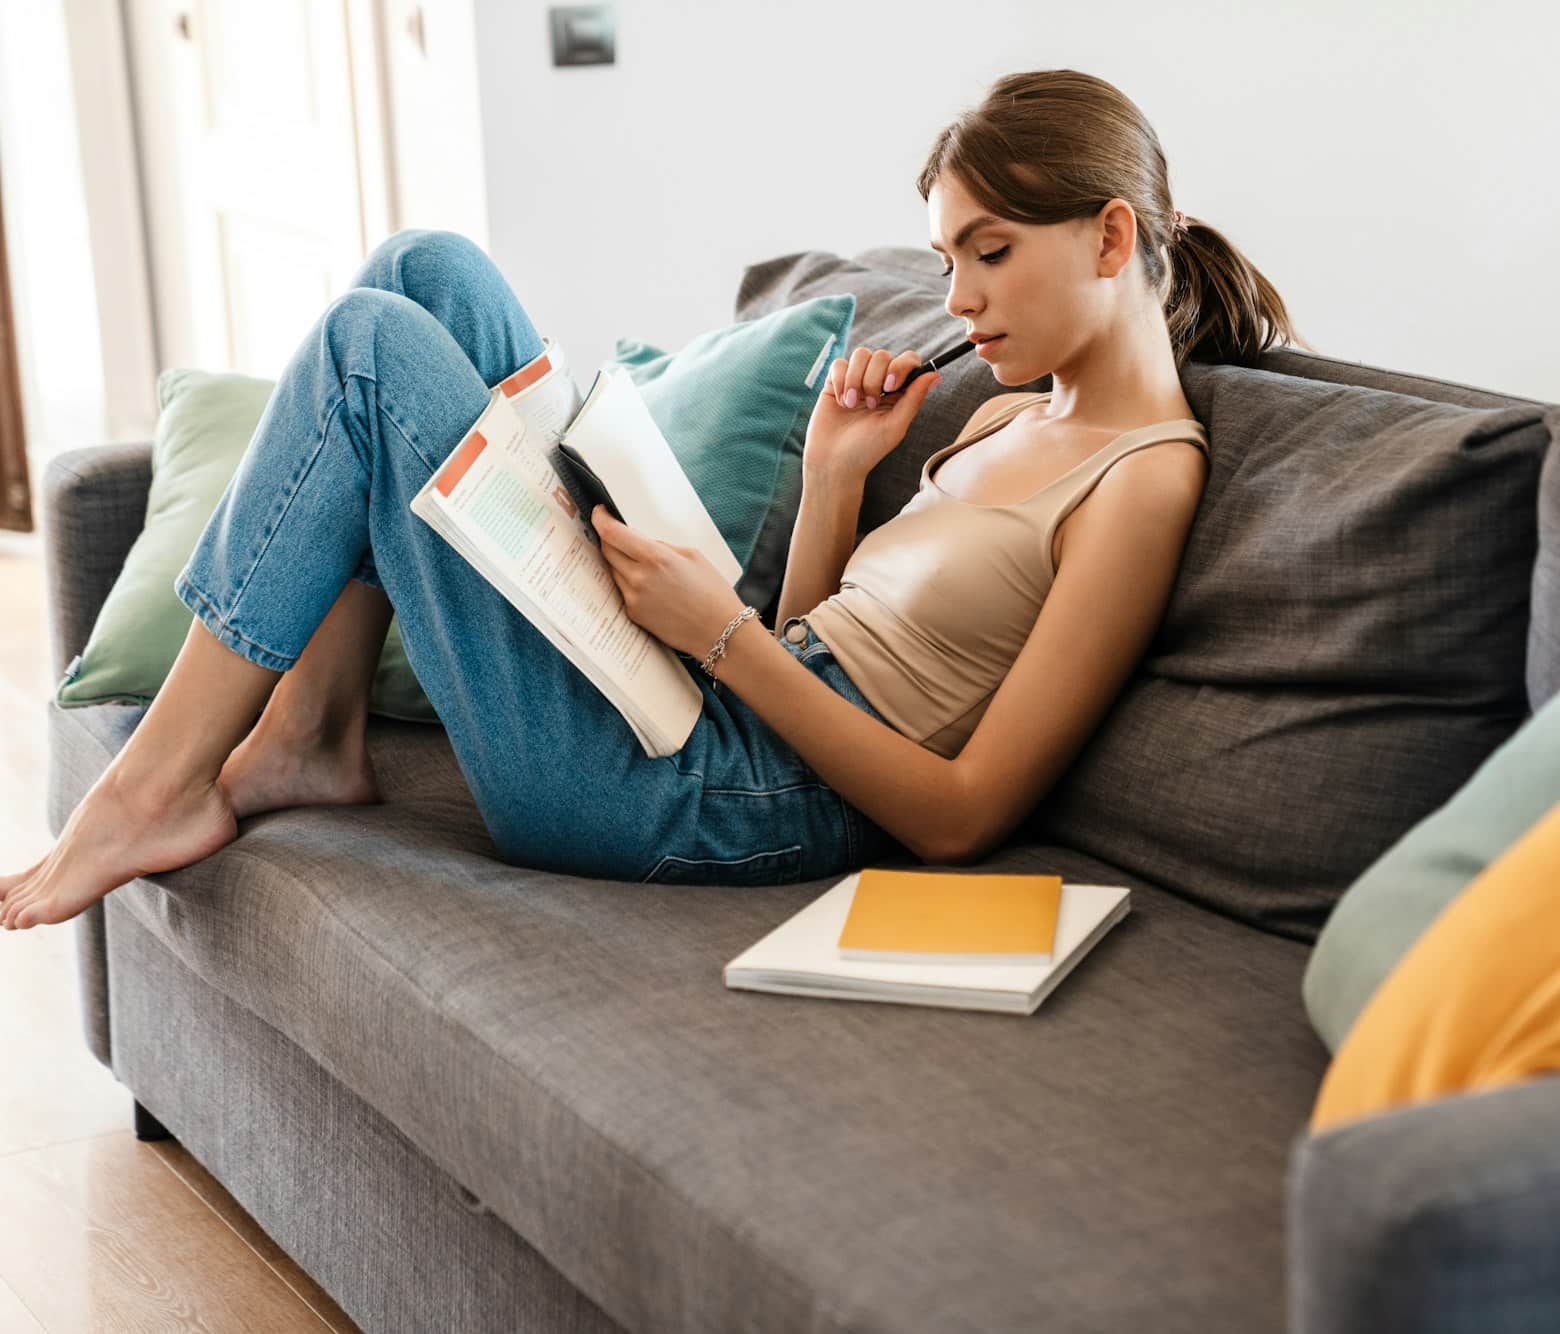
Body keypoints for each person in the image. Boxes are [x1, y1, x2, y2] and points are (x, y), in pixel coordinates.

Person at [1, 67, 1307, 931]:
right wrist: (832, 477)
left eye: (990, 254)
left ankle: (155, 787)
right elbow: (824, 632)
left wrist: (718, 636)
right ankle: (311, 732)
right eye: (945, 259)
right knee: (428, 267)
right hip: (715, 698)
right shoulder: (1024, 406)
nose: (958, 299)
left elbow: (958, 812)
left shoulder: (1144, 479)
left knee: (368, 350)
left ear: (1114, 238)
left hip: (727, 805)